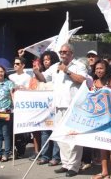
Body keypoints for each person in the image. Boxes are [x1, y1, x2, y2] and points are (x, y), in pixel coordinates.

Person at [33, 43, 87, 177]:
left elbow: (83, 80)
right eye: (61, 52)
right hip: (58, 106)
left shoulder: (78, 65)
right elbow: (44, 78)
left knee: (73, 137)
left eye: (65, 52)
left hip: (73, 107)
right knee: (61, 137)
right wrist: (36, 71)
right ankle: (66, 164)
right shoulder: (54, 66)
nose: (62, 54)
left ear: (71, 53)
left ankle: (74, 166)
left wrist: (67, 71)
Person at [90, 59, 111, 179]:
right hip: (99, 118)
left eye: (101, 68)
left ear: (106, 69)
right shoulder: (94, 82)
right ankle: (104, 171)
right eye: (97, 68)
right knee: (102, 145)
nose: (99, 70)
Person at [36, 50, 62, 167]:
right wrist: (36, 71)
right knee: (45, 132)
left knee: (56, 132)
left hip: (57, 107)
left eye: (49, 59)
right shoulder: (43, 73)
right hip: (45, 108)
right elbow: (41, 81)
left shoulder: (58, 70)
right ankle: (45, 156)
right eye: (44, 60)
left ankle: (56, 157)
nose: (46, 62)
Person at [8, 56, 34, 159]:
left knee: (21, 131)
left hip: (22, 106)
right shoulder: (10, 77)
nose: (15, 65)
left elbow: (30, 90)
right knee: (10, 130)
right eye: (14, 63)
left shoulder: (27, 77)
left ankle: (21, 149)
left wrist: (23, 88)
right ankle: (11, 149)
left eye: (18, 64)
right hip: (11, 106)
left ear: (23, 65)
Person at [0, 65, 15, 162]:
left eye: (1, 71)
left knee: (6, 134)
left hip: (6, 112)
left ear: (4, 72)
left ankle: (6, 154)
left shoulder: (9, 83)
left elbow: (13, 97)